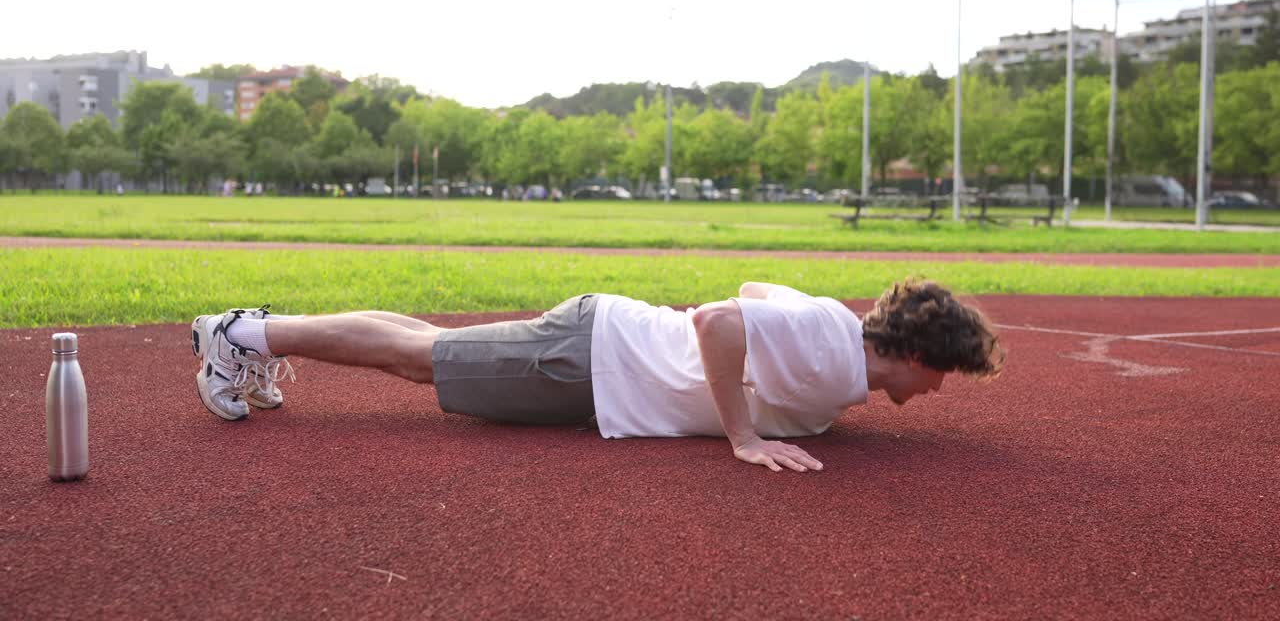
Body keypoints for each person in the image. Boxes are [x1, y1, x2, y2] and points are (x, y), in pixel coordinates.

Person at [190, 279, 1002, 472]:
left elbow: (750, 294)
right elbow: (721, 319)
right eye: (947, 377)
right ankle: (238, 334)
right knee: (421, 360)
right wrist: (743, 434)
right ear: (923, 358)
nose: (940, 392)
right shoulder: (834, 354)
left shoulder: (832, 330)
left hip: (601, 347)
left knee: (429, 346)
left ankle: (255, 339)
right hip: (590, 364)